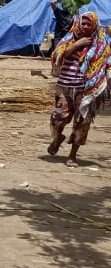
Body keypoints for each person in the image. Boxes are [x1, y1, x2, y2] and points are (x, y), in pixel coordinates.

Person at [48, 11, 110, 167]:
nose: (86, 26)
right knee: (58, 118)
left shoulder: (101, 44)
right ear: (79, 23)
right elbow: (57, 56)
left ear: (95, 25)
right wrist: (76, 45)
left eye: (90, 24)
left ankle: (72, 156)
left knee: (82, 123)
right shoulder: (69, 38)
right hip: (65, 86)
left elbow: (107, 65)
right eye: (84, 23)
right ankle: (57, 137)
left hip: (87, 90)